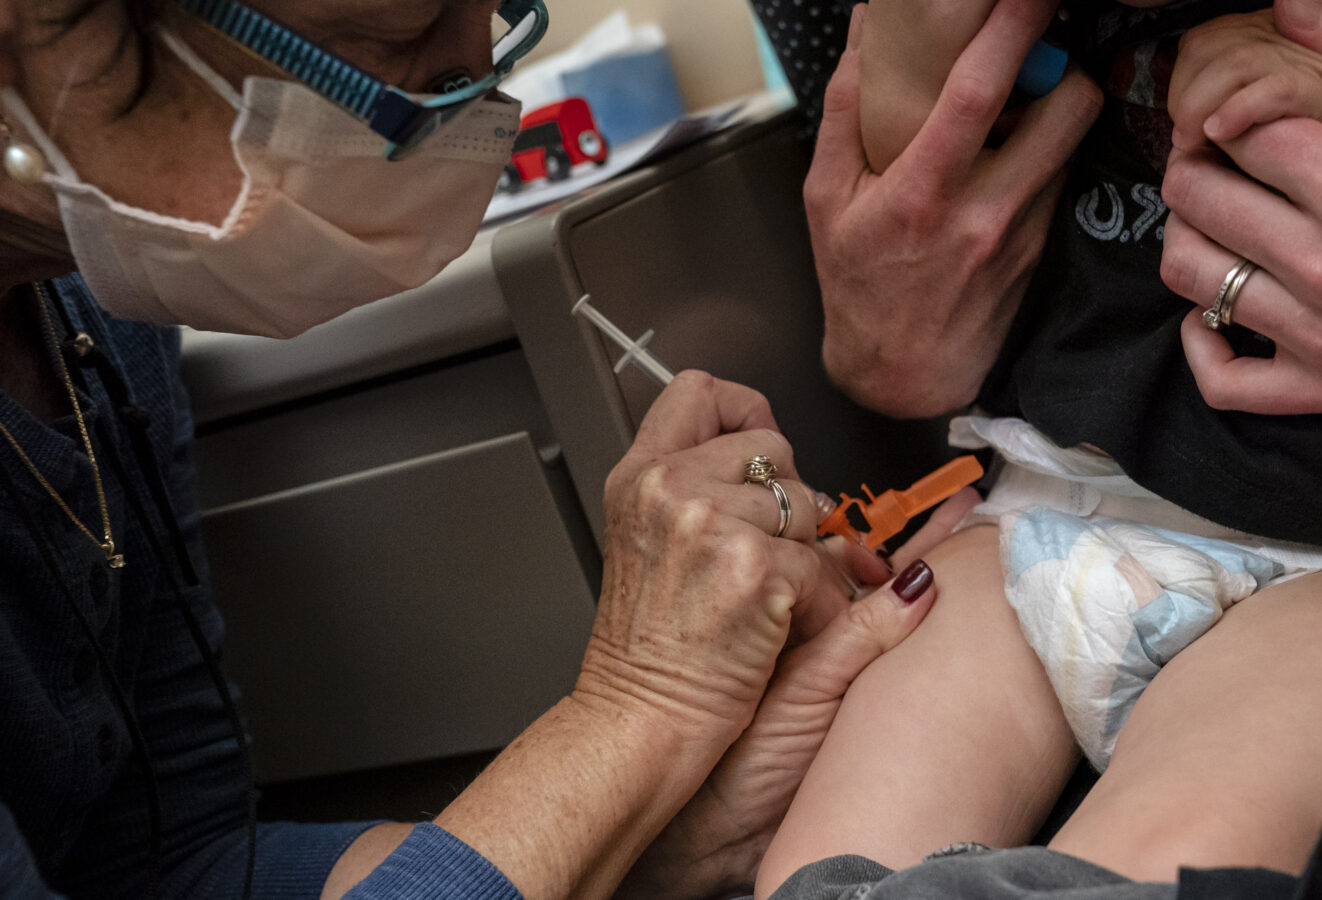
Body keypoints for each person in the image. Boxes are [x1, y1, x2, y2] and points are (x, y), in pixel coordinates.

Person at [0, 1, 975, 897]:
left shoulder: (99, 330)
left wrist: (666, 841)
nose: (472, 92)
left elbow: (175, 864)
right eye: (402, 28)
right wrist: (638, 712)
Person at [756, 0, 1322, 895]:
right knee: (826, 867)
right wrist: (911, 40)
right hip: (1044, 501)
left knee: (1175, 864)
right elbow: (907, 151)